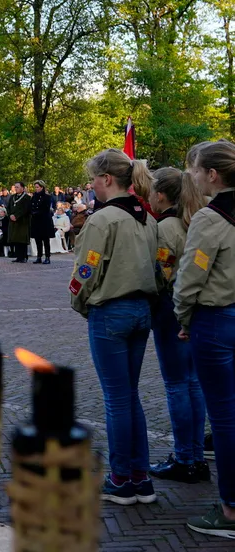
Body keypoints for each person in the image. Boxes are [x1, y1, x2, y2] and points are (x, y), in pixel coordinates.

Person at [70, 148, 158, 506]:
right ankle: (140, 476)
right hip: (141, 309)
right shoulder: (146, 218)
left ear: (106, 179)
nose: (91, 185)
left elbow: (86, 269)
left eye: (94, 178)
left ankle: (121, 478)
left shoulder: (103, 220)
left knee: (117, 400)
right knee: (130, 396)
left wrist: (78, 301)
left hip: (111, 311)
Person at [173, 140, 235, 538]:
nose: (192, 177)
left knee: (226, 419)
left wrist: (183, 318)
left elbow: (191, 277)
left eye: (195, 169)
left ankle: (230, 509)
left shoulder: (210, 218)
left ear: (212, 174)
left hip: (217, 322)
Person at [145, 167, 209, 484]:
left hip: (172, 309)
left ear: (160, 195)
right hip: (200, 309)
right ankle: (195, 455)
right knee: (194, 383)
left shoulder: (165, 228)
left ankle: (185, 457)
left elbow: (162, 273)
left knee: (176, 384)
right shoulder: (197, 221)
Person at [30, 180, 55, 264]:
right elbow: (31, 206)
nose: (36, 189)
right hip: (36, 220)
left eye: (37, 187)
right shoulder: (34, 196)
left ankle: (47, 257)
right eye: (35, 187)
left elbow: (46, 208)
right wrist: (32, 212)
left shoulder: (47, 197)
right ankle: (39, 256)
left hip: (44, 221)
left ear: (42, 187)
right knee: (38, 240)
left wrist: (37, 212)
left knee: (46, 240)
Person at [6, 182, 30, 262]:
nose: (16, 189)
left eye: (17, 187)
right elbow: (8, 207)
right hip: (13, 221)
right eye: (15, 187)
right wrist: (10, 215)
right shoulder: (12, 197)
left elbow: (25, 209)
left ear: (22, 188)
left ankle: (24, 257)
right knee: (16, 239)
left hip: (22, 222)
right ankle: (18, 257)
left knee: (22, 240)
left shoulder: (27, 198)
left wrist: (16, 216)